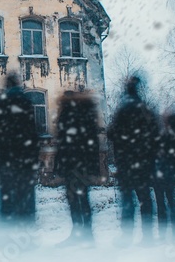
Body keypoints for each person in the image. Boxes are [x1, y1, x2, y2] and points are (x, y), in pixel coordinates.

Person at [108, 76, 160, 246]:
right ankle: (147, 236)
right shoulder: (144, 109)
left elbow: (112, 133)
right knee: (144, 198)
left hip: (126, 162)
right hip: (142, 163)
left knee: (128, 199)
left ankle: (127, 236)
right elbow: (154, 136)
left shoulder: (123, 109)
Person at [0, 73, 39, 223]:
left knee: (8, 188)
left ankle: (9, 221)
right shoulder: (26, 102)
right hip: (26, 156)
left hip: (7, 156)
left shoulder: (1, 103)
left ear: (7, 86)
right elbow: (32, 130)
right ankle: (27, 220)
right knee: (26, 189)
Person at [55, 91, 101, 244]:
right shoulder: (87, 114)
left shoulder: (66, 114)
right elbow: (93, 142)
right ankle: (87, 234)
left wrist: (59, 166)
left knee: (74, 198)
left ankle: (79, 233)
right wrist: (94, 167)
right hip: (83, 164)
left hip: (72, 163)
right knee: (82, 197)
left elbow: (62, 144)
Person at [154, 113, 175, 241]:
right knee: (171, 203)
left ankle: (163, 234)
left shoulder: (165, 137)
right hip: (170, 176)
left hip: (161, 175)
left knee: (161, 205)